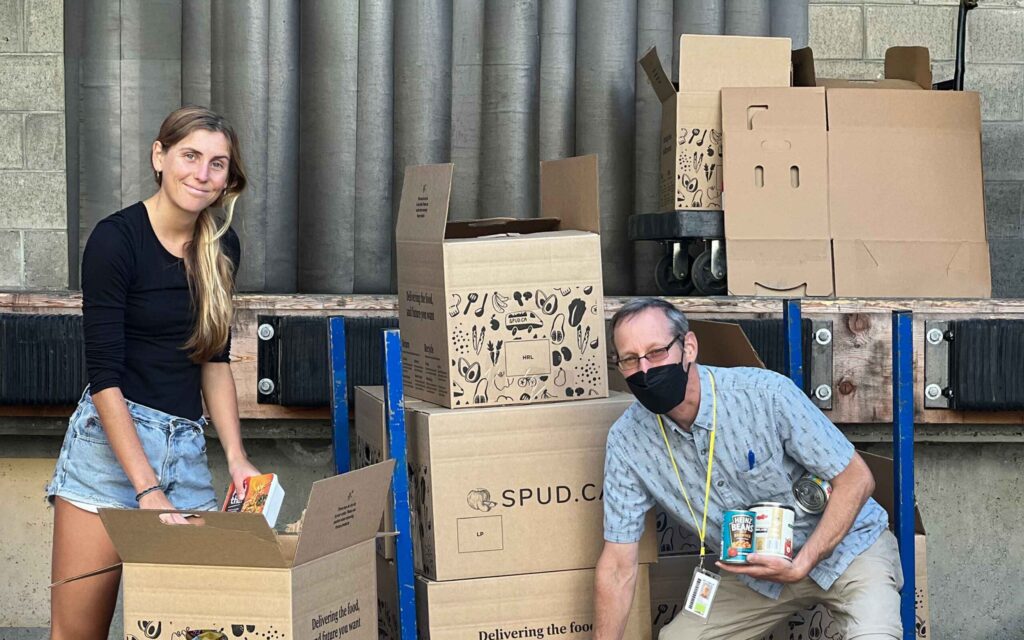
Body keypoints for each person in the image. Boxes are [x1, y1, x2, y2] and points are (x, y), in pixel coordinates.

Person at [47, 106, 261, 640]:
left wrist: (236, 459)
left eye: (217, 164)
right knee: (78, 632)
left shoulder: (221, 246)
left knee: (199, 629)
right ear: (159, 156)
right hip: (107, 454)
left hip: (184, 451)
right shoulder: (115, 241)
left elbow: (212, 360)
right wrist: (145, 491)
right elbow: (105, 378)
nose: (202, 174)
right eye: (190, 156)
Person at [594, 298, 903, 640]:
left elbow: (857, 479)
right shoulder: (628, 440)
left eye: (656, 352)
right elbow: (618, 565)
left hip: (849, 551)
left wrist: (802, 564)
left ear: (689, 348)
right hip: (754, 572)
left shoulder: (764, 394)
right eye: (630, 359)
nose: (646, 370)